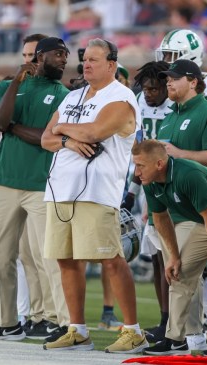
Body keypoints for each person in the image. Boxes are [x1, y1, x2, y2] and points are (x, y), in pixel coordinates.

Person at [41, 38, 147, 353]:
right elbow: (46, 137)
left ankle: (133, 330)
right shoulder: (73, 95)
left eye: (95, 60)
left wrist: (66, 129)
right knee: (66, 259)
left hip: (98, 190)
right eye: (85, 59)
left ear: (112, 64)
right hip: (60, 187)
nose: (86, 65)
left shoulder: (122, 96)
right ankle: (78, 329)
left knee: (109, 259)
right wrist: (68, 141)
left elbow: (94, 133)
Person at [0, 36, 71, 341]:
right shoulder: (7, 86)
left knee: (48, 257)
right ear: (38, 58)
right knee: (2, 255)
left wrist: (15, 128)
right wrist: (16, 81)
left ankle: (61, 322)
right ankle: (8, 322)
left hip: (41, 183)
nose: (64, 60)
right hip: (5, 180)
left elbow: (48, 136)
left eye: (65, 55)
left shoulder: (65, 94)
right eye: (58, 55)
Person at [131, 139, 207, 356]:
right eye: (135, 165)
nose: (136, 172)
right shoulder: (151, 180)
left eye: (141, 166)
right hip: (203, 221)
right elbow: (161, 218)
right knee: (179, 272)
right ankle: (175, 339)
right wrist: (174, 257)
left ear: (159, 164)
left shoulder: (187, 174)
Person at [122, 60, 173, 343]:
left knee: (172, 258)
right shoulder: (140, 101)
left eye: (155, 88)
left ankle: (180, 320)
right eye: (146, 88)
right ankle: (165, 318)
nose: (149, 93)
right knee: (156, 258)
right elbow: (139, 154)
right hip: (149, 188)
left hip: (171, 184)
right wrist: (132, 191)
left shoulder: (175, 107)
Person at [155, 29, 207, 107]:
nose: (165, 60)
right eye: (165, 55)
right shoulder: (159, 81)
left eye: (172, 55)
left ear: (191, 56)